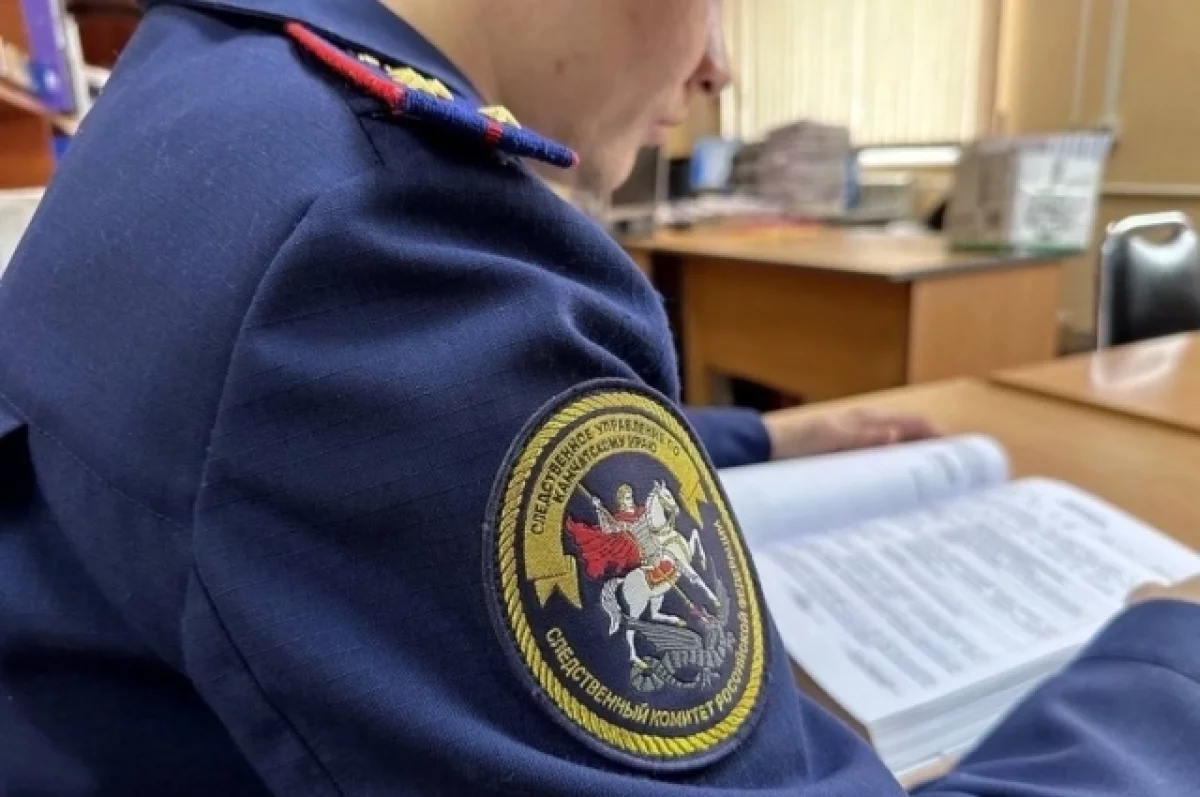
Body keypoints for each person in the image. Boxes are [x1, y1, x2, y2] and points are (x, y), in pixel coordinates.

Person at [0, 0, 1198, 794]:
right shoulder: (379, 245)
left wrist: (760, 434)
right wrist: (1167, 664)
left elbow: (379, 476)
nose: (720, 65)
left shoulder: (214, 77)